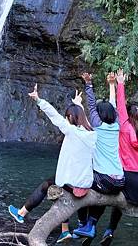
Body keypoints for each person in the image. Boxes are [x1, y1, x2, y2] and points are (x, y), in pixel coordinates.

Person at [84, 69, 138, 246]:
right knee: (118, 200)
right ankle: (110, 230)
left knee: (104, 194)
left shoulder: (124, 127)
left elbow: (119, 105)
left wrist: (120, 84)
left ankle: (91, 224)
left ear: (127, 116)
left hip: (128, 177)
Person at [8, 83, 97, 224]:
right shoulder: (92, 134)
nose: (66, 119)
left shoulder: (71, 131)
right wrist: (79, 105)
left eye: (67, 117)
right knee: (58, 186)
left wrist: (38, 100)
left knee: (46, 185)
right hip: (85, 183)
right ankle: (80, 225)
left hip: (72, 183)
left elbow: (53, 115)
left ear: (71, 118)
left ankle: (21, 213)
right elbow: (82, 119)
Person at [61, 73, 124, 244]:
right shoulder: (116, 125)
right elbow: (113, 105)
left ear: (99, 115)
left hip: (104, 180)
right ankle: (89, 225)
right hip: (119, 181)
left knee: (79, 182)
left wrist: (88, 84)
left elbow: (91, 105)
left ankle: (85, 224)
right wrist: (112, 85)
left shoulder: (97, 126)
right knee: (102, 191)